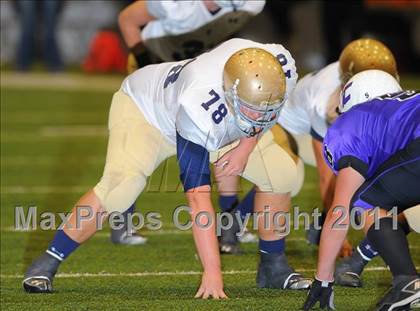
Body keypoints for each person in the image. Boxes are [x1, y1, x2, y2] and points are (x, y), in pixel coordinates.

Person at [22, 38, 311, 296]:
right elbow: (198, 200)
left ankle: (273, 265)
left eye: (266, 108)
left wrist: (245, 148)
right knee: (121, 188)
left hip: (219, 123)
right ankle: (49, 259)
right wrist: (213, 272)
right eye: (253, 109)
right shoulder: (198, 106)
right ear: (231, 94)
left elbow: (266, 110)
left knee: (282, 173)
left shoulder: (278, 68)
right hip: (147, 113)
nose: (261, 115)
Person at [218, 38, 399, 258]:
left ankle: (321, 226)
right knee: (286, 173)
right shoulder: (325, 101)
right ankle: (233, 223)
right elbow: (327, 176)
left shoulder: (364, 78)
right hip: (287, 125)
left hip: (315, 124)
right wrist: (339, 235)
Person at [113, 0, 265, 245]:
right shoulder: (175, 5)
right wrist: (143, 59)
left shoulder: (251, 4)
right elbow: (127, 20)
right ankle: (123, 220)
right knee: (140, 147)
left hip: (198, 68)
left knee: (226, 135)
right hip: (156, 67)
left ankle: (228, 221)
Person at [302, 70, 420, 311]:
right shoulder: (402, 111)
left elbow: (340, 210)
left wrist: (323, 277)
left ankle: (406, 282)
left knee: (363, 202)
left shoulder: (351, 124)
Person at [119, 0, 265, 73]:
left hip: (191, 62)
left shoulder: (251, 4)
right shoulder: (178, 6)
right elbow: (127, 20)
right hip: (152, 57)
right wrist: (145, 66)